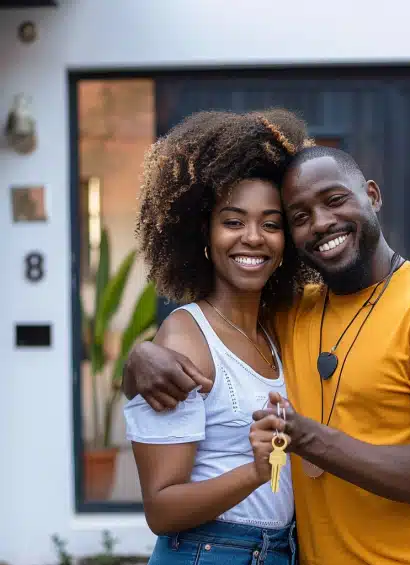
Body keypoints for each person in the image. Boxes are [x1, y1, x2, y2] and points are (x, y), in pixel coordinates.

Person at [124, 137, 410, 565]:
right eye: (299, 216)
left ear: (371, 196)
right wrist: (136, 361)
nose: (320, 223)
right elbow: (211, 340)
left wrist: (307, 438)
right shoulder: (292, 314)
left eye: (335, 200)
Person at [123, 108, 317, 565]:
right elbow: (162, 508)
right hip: (207, 553)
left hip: (278, 552)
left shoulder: (279, 330)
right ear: (204, 236)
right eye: (233, 221)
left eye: (271, 224)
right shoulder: (186, 338)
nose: (253, 237)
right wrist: (255, 471)